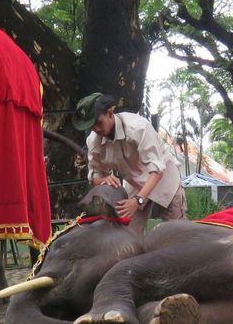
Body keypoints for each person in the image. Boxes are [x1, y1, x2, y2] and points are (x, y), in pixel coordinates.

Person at [73, 92, 187, 233]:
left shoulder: (138, 128)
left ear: (110, 113)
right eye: (91, 126)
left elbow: (157, 170)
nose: (96, 129)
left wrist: (138, 201)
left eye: (98, 122)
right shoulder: (93, 141)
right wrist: (103, 179)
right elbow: (95, 176)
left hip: (164, 179)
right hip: (135, 184)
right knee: (127, 235)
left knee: (176, 233)